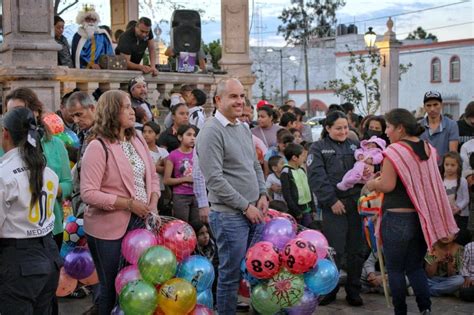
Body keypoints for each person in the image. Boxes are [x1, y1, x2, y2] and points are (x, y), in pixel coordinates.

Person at [366, 108, 459, 315]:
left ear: (400, 128)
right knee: (415, 268)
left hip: (396, 219)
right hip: (420, 218)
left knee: (396, 270)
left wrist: (373, 183)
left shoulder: (394, 151)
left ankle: (401, 311)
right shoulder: (427, 148)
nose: (386, 132)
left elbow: (388, 185)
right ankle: (425, 308)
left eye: (389, 127)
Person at [80, 90, 160, 315]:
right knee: (111, 288)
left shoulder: (137, 138)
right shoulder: (98, 146)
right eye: (125, 107)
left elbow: (152, 177)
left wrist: (152, 203)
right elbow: (88, 193)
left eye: (130, 106)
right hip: (108, 229)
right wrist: (127, 204)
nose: (132, 111)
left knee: (136, 286)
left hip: (141, 222)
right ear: (112, 111)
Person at [196, 78, 268, 314]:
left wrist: (263, 194)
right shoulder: (210, 131)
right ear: (218, 100)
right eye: (233, 96)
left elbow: (255, 165)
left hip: (254, 211)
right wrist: (246, 206)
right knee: (230, 276)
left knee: (256, 271)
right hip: (230, 216)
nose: (240, 101)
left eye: (241, 96)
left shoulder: (243, 127)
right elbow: (215, 180)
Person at [0, 107, 60, 314]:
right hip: (48, 256)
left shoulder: (4, 175)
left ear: (5, 132)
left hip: (18, 261)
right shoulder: (48, 171)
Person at [307, 110, 366, 306]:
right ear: (328, 128)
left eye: (346, 127)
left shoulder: (355, 145)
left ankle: (354, 290)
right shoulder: (318, 148)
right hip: (334, 206)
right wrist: (331, 200)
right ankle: (329, 290)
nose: (343, 131)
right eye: (338, 128)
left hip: (355, 204)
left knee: (356, 249)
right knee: (335, 250)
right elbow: (317, 177)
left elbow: (363, 172)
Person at [5, 88, 73, 252]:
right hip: (16, 237)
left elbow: (68, 184)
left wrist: (52, 188)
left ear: (35, 112)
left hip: (50, 228)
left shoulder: (55, 144)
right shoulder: (4, 146)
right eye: (9, 113)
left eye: (18, 111)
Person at [65, 91, 100, 314]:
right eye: (73, 116)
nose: (76, 120)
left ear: (92, 109)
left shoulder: (102, 134)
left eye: (79, 114)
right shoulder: (85, 133)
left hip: (96, 208)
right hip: (83, 205)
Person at [164, 125, 200, 226]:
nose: (192, 138)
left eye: (194, 135)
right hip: (180, 196)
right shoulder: (173, 155)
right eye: (188, 135)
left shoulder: (197, 153)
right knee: (182, 226)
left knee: (197, 225)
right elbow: (166, 180)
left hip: (197, 194)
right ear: (180, 137)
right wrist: (186, 179)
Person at [281, 143, 315, 227]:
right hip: (297, 211)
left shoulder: (302, 169)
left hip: (308, 208)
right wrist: (296, 211)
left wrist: (313, 207)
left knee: (309, 228)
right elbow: (287, 194)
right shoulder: (286, 172)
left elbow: (308, 188)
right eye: (302, 156)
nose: (304, 158)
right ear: (294, 158)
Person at [440, 152, 470, 245]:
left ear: (458, 165)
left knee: (459, 238)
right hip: (444, 215)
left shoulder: (462, 181)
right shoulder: (440, 180)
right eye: (447, 164)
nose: (449, 167)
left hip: (460, 216)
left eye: (453, 165)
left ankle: (459, 258)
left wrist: (457, 208)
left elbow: (466, 199)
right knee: (445, 238)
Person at [420, 91, 459, 162]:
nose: (432, 109)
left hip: (444, 169)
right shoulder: (418, 126)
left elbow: (453, 154)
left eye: (435, 105)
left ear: (441, 105)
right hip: (424, 168)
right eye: (428, 105)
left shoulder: (451, 125)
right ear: (424, 107)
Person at [143, 121, 169, 212]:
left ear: (157, 135)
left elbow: (167, 170)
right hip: (144, 189)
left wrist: (154, 167)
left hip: (160, 189)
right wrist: (157, 166)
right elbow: (143, 169)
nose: (146, 134)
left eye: (150, 132)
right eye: (144, 131)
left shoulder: (163, 152)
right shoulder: (140, 151)